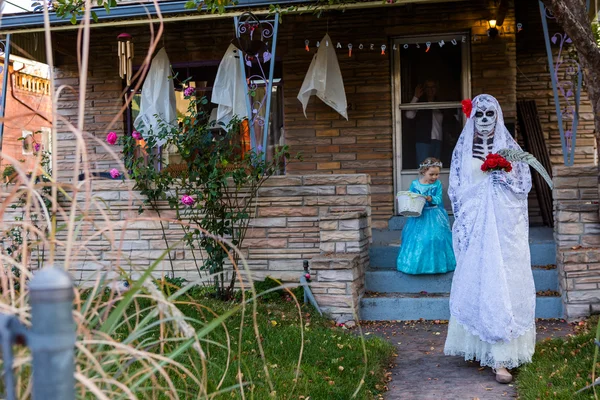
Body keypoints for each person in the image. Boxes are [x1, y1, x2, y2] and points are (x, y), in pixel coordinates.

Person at [443, 94, 535, 384]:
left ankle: (502, 356)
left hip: (505, 231)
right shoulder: (463, 152)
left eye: (489, 114)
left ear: (498, 117)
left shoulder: (510, 150)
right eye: (479, 114)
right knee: (480, 282)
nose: (483, 120)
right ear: (472, 117)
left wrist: (503, 180)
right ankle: (483, 347)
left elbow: (523, 185)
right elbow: (457, 189)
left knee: (503, 284)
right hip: (477, 230)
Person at [396, 157, 456, 275]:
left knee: (436, 238)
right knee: (418, 239)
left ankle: (437, 265)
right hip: (419, 215)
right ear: (424, 172)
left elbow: (438, 199)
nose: (434, 177)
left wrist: (430, 198)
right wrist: (405, 198)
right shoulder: (415, 184)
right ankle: (416, 265)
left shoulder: (437, 185)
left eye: (437, 174)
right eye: (431, 174)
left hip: (434, 214)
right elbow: (411, 196)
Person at [405, 80, 444, 163]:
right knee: (424, 168)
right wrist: (416, 97)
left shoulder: (441, 103)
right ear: (424, 89)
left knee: (436, 168)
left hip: (438, 140)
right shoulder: (420, 103)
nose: (430, 89)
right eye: (427, 87)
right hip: (423, 141)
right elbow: (409, 114)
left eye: (433, 87)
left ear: (437, 89)